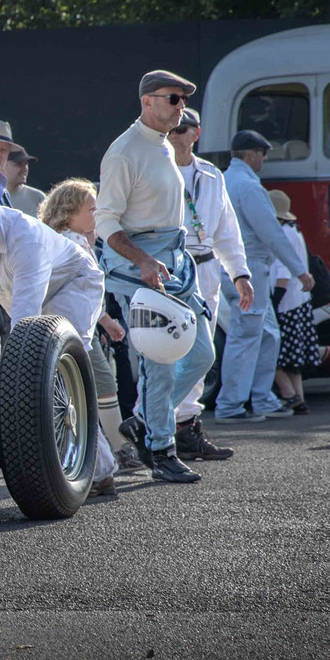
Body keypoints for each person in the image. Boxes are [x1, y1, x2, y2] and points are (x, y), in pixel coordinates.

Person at [0, 179, 115, 492]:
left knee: (59, 369)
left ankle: (94, 468)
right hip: (23, 297)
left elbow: (28, 317)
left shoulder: (25, 236)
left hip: (73, 285)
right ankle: (95, 469)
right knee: (42, 379)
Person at [94, 70, 215, 483]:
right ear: (148, 101)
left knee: (202, 354)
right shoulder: (124, 151)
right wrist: (144, 261)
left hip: (175, 264)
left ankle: (144, 420)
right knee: (160, 362)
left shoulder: (162, 145)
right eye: (173, 98)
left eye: (183, 99)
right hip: (142, 270)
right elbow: (104, 223)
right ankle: (161, 450)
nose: (181, 105)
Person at [165, 108, 254, 460]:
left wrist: (240, 273)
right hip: (169, 268)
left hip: (205, 269)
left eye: (182, 129)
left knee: (202, 354)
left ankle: (185, 427)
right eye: (170, 129)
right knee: (166, 352)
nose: (174, 134)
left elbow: (227, 231)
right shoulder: (154, 171)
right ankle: (154, 425)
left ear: (195, 134)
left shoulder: (212, 175)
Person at [40, 179, 140, 476]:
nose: (96, 215)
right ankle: (118, 452)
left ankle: (108, 453)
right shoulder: (68, 244)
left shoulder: (78, 241)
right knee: (98, 388)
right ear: (69, 211)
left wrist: (106, 321)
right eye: (91, 209)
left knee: (87, 390)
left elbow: (87, 291)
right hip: (69, 330)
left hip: (78, 328)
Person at [217, 130, 312, 424]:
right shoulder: (249, 186)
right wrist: (300, 270)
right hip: (250, 268)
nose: (265, 160)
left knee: (269, 334)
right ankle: (231, 405)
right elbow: (271, 232)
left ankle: (263, 398)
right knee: (245, 336)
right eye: (263, 154)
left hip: (229, 265)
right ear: (251, 154)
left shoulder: (222, 180)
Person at [268, 190, 318, 415]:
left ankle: (288, 394)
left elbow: (282, 271)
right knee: (293, 357)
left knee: (272, 352)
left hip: (286, 300)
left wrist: (274, 301)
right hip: (300, 301)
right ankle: (299, 398)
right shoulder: (295, 231)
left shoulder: (280, 234)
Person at [2, 150, 47, 217]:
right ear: (3, 165)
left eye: (26, 164)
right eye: (19, 164)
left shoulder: (38, 197)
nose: (24, 169)